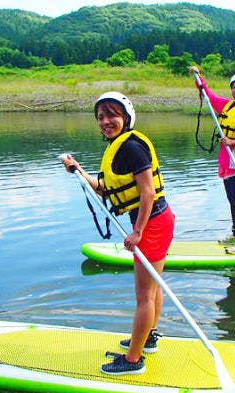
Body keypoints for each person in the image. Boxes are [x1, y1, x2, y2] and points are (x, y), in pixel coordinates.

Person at [62, 91, 175, 376]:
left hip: (151, 223)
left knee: (144, 295)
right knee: (152, 288)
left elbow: (148, 192)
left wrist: (137, 231)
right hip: (157, 220)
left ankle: (133, 361)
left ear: (126, 117)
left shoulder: (132, 148)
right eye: (100, 117)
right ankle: (148, 338)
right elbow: (104, 189)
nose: (105, 122)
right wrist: (78, 171)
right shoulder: (119, 147)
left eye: (112, 115)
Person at [190, 65, 235, 255]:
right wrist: (198, 77)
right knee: (232, 199)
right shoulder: (228, 105)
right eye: (234, 87)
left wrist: (233, 141)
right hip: (225, 158)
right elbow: (209, 96)